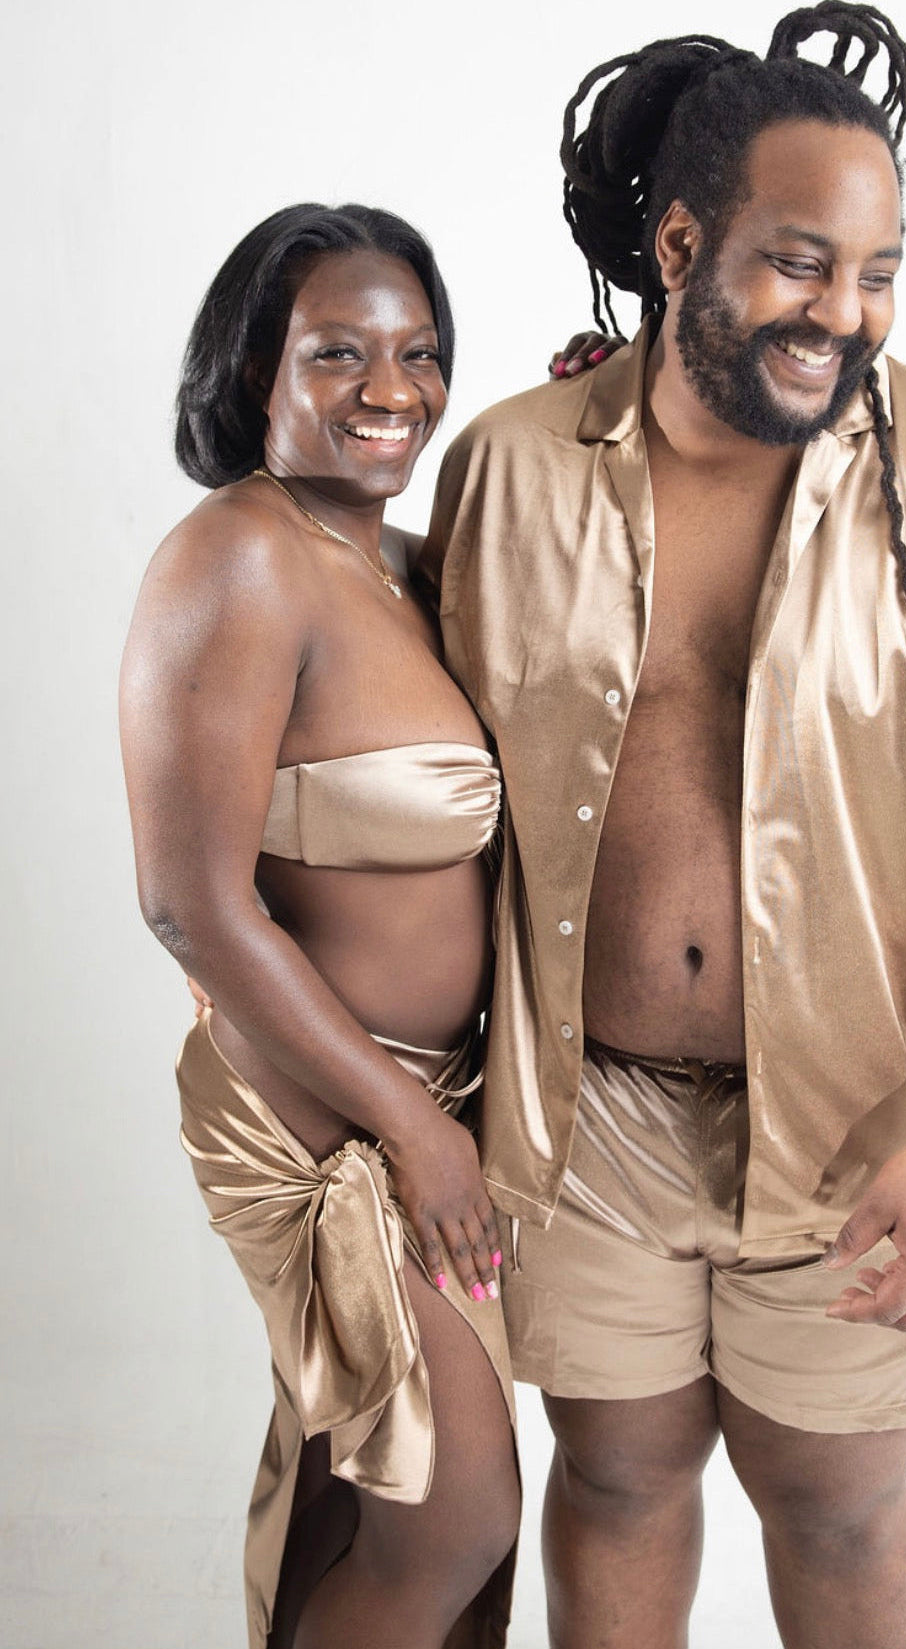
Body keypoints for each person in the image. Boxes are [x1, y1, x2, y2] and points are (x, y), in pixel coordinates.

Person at [421, 7, 906, 1647]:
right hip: (581, 1110)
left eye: (879, 273)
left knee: (841, 1492)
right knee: (615, 1474)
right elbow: (411, 763)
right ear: (681, 243)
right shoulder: (513, 469)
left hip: (859, 1119)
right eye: (803, 263)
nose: (847, 313)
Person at [120, 204, 521, 1649]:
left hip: (436, 1102)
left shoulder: (408, 567)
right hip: (319, 1112)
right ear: (253, 374)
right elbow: (190, 901)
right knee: (455, 1509)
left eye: (419, 352)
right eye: (337, 352)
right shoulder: (235, 559)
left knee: (393, 1504)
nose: (390, 387)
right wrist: (408, 1132)